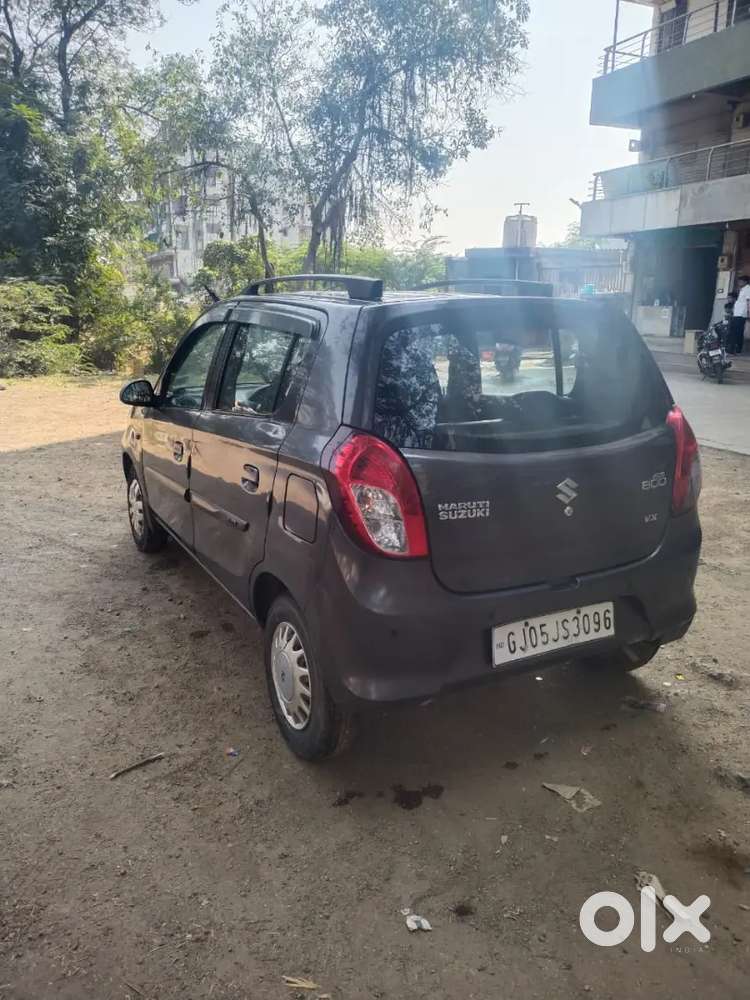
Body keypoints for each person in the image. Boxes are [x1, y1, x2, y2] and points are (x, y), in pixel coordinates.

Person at [730, 276, 750, 354]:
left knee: (738, 332)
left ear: (745, 282)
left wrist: (748, 313)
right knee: (735, 331)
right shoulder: (742, 289)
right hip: (737, 313)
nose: (739, 283)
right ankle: (734, 349)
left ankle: (737, 349)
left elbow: (748, 301)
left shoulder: (748, 289)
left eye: (740, 281)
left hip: (741, 314)